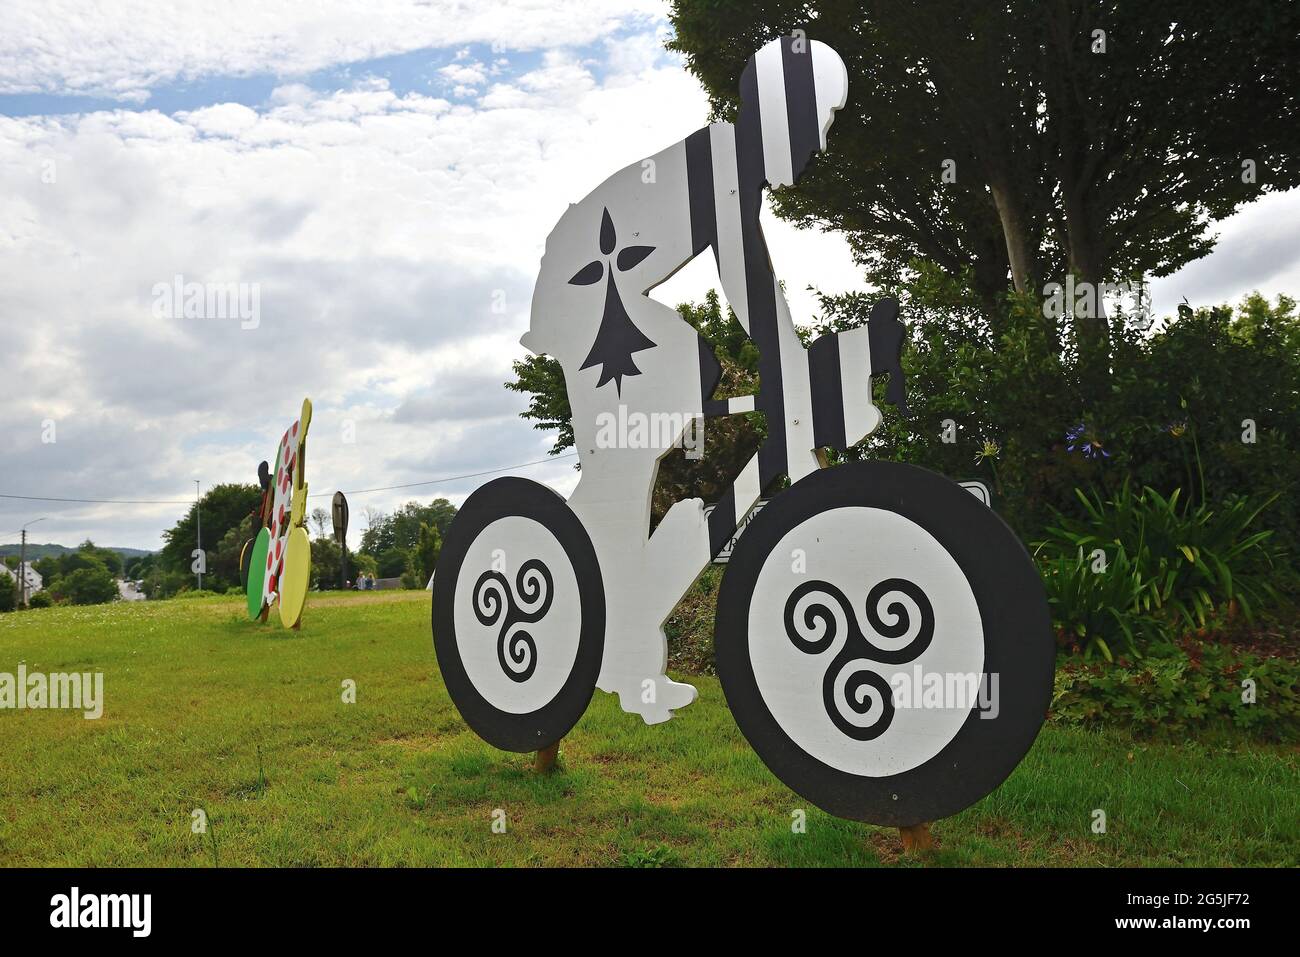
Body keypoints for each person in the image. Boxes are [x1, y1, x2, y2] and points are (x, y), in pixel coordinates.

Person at [522, 35, 864, 724]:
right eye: (819, 124)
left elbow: (754, 287)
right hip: (590, 289)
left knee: (670, 398)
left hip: (595, 287)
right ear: (781, 113)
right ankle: (594, 621)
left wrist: (789, 364)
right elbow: (750, 283)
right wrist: (790, 365)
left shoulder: (726, 163)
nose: (820, 146)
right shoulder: (721, 163)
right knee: (644, 432)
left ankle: (616, 641)